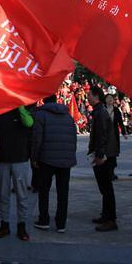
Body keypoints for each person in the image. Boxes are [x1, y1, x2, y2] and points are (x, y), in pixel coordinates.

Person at [31, 95, 77, 232]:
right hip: (66, 159)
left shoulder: (41, 115)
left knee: (44, 190)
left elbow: (37, 139)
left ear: (44, 101)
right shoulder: (68, 115)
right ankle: (61, 223)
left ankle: (44, 219)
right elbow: (73, 138)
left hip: (47, 159)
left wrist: (34, 158)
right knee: (63, 192)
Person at [0, 105, 34, 241]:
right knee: (3, 195)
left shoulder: (26, 109)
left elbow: (29, 123)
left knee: (22, 195)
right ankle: (4, 225)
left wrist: (20, 107)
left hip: (20, 158)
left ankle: (21, 226)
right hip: (2, 158)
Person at [89, 86, 118, 232]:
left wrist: (100, 155)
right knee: (104, 187)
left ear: (96, 97)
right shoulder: (99, 111)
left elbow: (102, 136)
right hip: (105, 154)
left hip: (105, 156)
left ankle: (111, 219)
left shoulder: (100, 113)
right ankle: (106, 215)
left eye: (89, 95)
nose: (88, 97)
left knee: (106, 188)